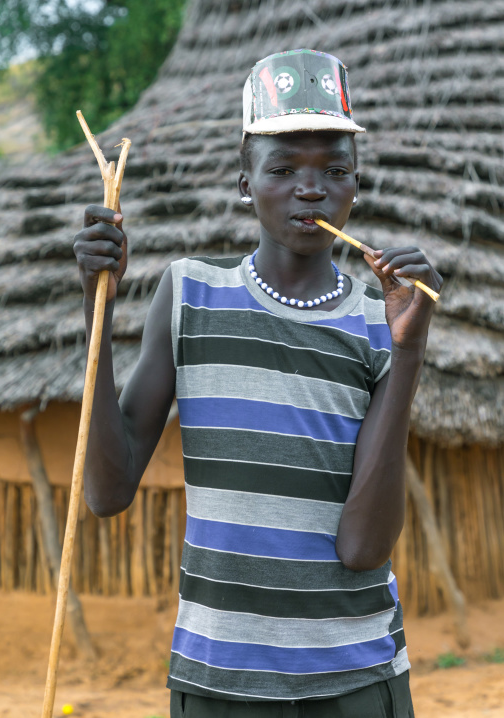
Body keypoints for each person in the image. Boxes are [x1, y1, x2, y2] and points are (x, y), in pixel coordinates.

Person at [74, 49, 442, 717]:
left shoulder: (379, 323)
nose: (312, 189)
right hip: (218, 682)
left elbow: (363, 548)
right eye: (282, 169)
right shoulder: (188, 295)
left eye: (335, 169)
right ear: (245, 182)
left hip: (356, 681)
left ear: (356, 185)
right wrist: (94, 306)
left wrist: (408, 351)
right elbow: (105, 490)